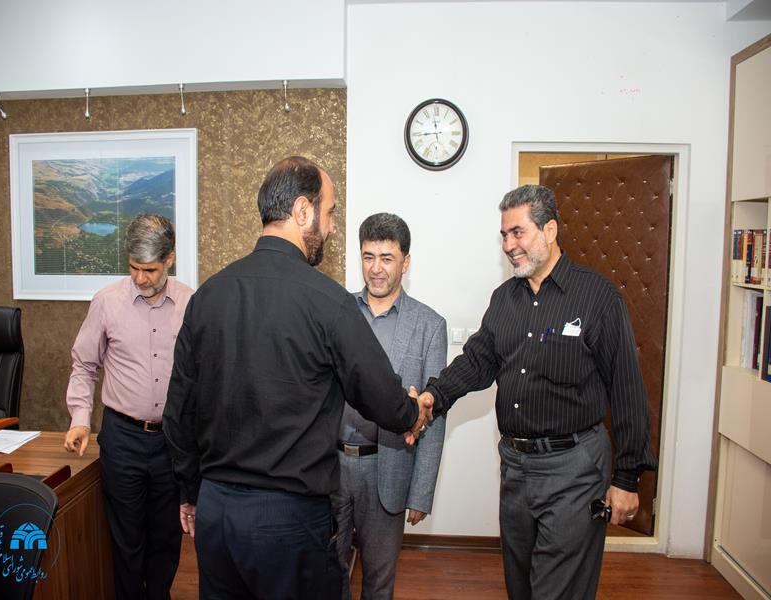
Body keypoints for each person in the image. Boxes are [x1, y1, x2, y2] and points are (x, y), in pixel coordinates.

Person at [162, 156, 432, 600]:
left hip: (216, 511)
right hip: (287, 520)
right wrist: (412, 411)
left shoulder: (207, 295)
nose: (332, 228)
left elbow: (177, 413)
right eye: (330, 213)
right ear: (303, 211)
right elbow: (381, 398)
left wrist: (191, 491)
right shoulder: (328, 301)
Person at [418, 184, 657, 600]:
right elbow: (477, 362)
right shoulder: (504, 299)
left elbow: (627, 391)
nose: (509, 245)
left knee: (558, 590)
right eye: (504, 235)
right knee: (521, 584)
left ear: (550, 230)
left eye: (518, 232)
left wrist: (626, 478)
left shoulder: (598, 298)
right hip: (515, 468)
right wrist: (432, 398)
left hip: (575, 469)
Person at [63, 214, 193, 600]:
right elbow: (84, 364)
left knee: (166, 538)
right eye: (134, 267)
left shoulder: (190, 303)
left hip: (171, 441)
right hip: (122, 437)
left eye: (149, 269)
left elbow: (202, 374)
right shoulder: (107, 302)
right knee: (126, 539)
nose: (140, 278)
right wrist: (80, 419)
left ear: (169, 259)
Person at [332, 213, 447, 600]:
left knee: (379, 581)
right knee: (326, 572)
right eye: (368, 257)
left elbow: (435, 413)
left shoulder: (430, 325)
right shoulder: (338, 312)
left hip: (389, 469)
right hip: (331, 468)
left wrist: (421, 492)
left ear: (405, 262)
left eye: (386, 258)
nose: (376, 269)